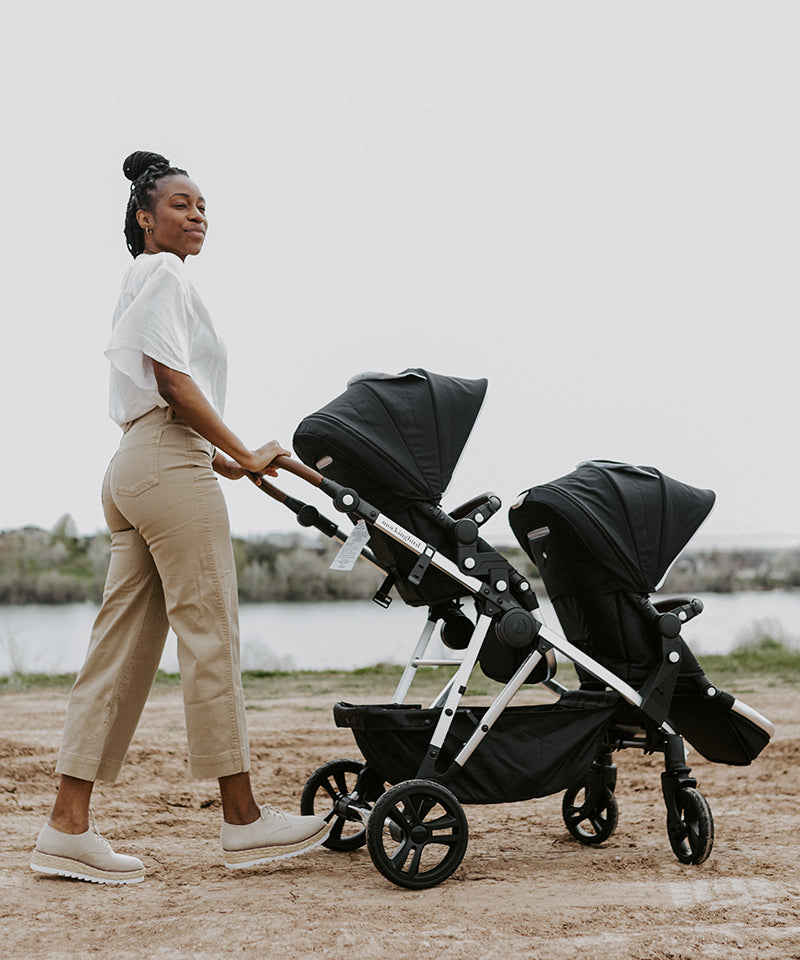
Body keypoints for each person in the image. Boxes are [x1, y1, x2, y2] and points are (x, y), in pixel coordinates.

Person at [30, 151, 328, 885]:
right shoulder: (161, 273)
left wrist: (237, 461)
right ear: (144, 217)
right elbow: (172, 381)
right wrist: (237, 451)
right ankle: (244, 820)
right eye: (181, 204)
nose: (197, 215)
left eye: (203, 207)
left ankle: (66, 827)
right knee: (211, 632)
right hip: (166, 462)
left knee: (119, 653)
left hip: (138, 464)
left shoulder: (145, 282)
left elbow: (161, 400)